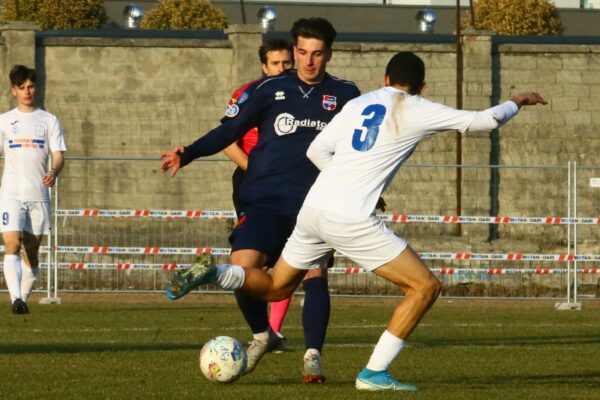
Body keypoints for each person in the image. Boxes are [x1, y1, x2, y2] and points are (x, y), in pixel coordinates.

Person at [163, 51, 547, 391]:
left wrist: (341, 177)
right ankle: (374, 373)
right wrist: (517, 100)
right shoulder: (416, 106)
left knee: (277, 288)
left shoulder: (358, 104)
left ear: (384, 79)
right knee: (424, 288)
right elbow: (483, 121)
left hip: (313, 209)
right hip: (350, 217)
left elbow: (316, 149)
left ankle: (215, 272)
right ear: (421, 85)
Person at [160, 18, 361, 382]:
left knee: (315, 274)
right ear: (295, 51)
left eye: (316, 54)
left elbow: (360, 149)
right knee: (242, 264)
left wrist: (366, 190)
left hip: (314, 205)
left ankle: (313, 356)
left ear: (329, 53)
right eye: (301, 53)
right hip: (265, 201)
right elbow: (229, 130)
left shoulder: (346, 95)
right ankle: (263, 334)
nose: (308, 61)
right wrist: (187, 153)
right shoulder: (268, 89)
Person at [222, 39, 298, 349]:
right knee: (254, 261)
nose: (282, 68)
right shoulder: (247, 94)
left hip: (294, 183)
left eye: (286, 63)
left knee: (292, 264)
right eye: (276, 64)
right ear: (264, 67)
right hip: (253, 183)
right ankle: (264, 330)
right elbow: (228, 140)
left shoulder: (306, 94)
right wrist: (256, 170)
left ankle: (273, 332)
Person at [0, 64, 66, 314]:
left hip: (38, 195)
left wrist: (53, 171)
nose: (28, 91)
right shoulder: (5, 121)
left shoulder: (49, 120)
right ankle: (16, 298)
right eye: (22, 87)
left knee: (31, 252)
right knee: (11, 243)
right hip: (11, 194)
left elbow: (58, 156)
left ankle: (22, 298)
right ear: (13, 90)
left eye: (31, 86)